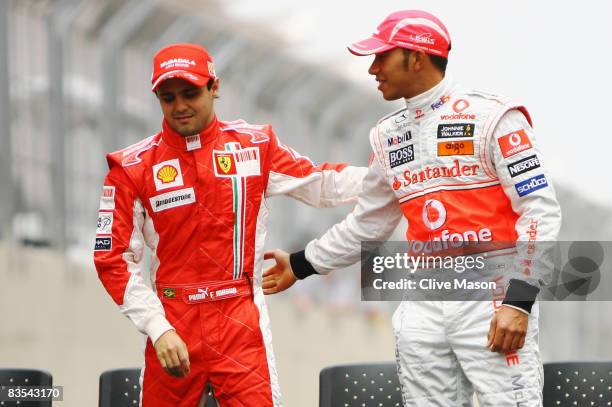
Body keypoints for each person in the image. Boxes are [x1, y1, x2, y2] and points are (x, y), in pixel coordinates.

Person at [262, 10, 561, 406]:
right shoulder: (388, 136)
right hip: (424, 301)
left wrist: (519, 301)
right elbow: (366, 226)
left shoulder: (494, 118)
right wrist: (302, 264)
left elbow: (540, 212)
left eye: (382, 57)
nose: (372, 68)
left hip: (492, 299)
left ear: (417, 58)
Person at [93, 43, 366, 407]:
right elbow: (110, 258)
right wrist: (158, 329)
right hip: (174, 319)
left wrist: (392, 178)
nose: (180, 106)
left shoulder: (253, 146)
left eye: (190, 93)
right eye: (168, 97)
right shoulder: (132, 167)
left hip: (240, 321)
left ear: (214, 87)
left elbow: (321, 184)